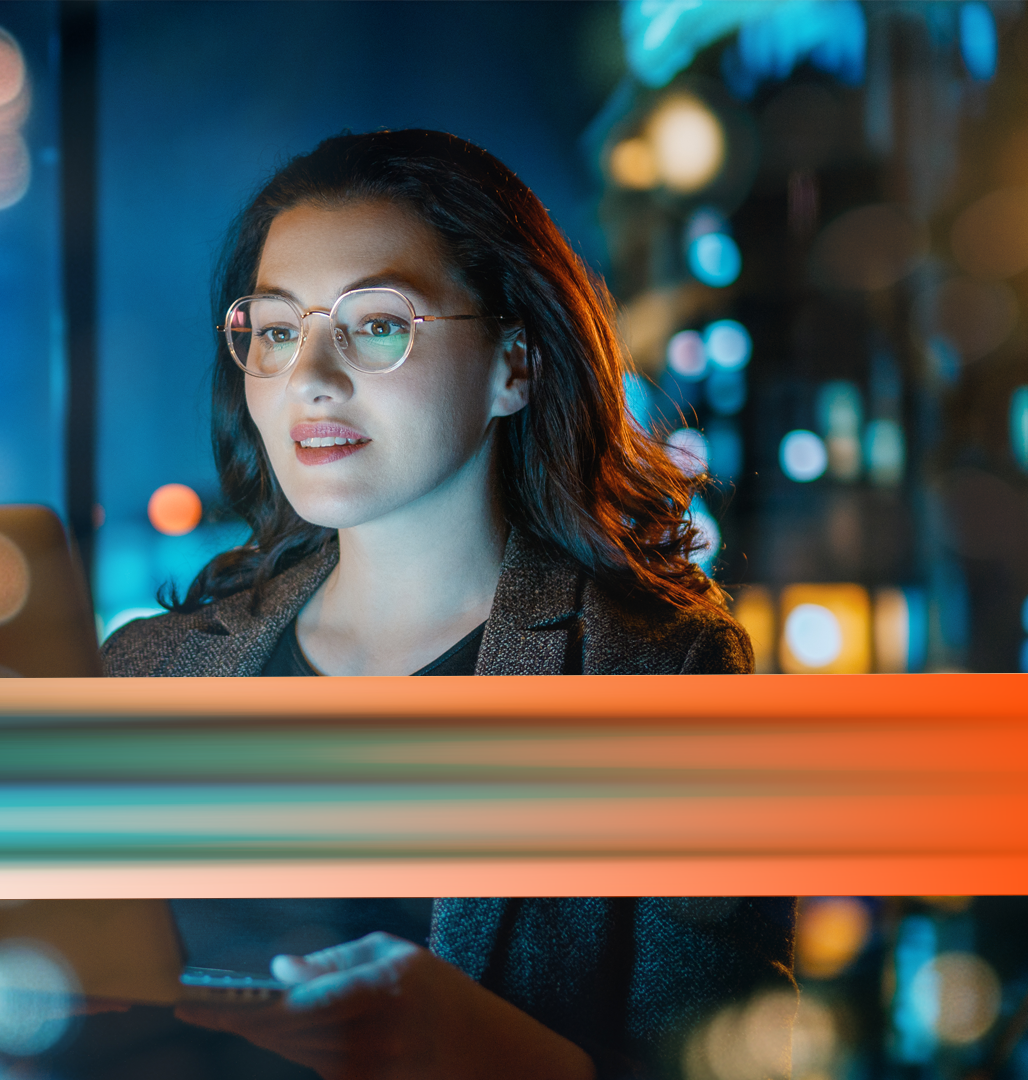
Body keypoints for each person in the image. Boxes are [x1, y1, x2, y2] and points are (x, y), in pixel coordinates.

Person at [102, 130, 795, 1079]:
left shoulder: (658, 676)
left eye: (378, 323)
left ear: (515, 363)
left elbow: (725, 1059)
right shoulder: (146, 672)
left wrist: (490, 1052)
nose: (310, 376)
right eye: (275, 330)